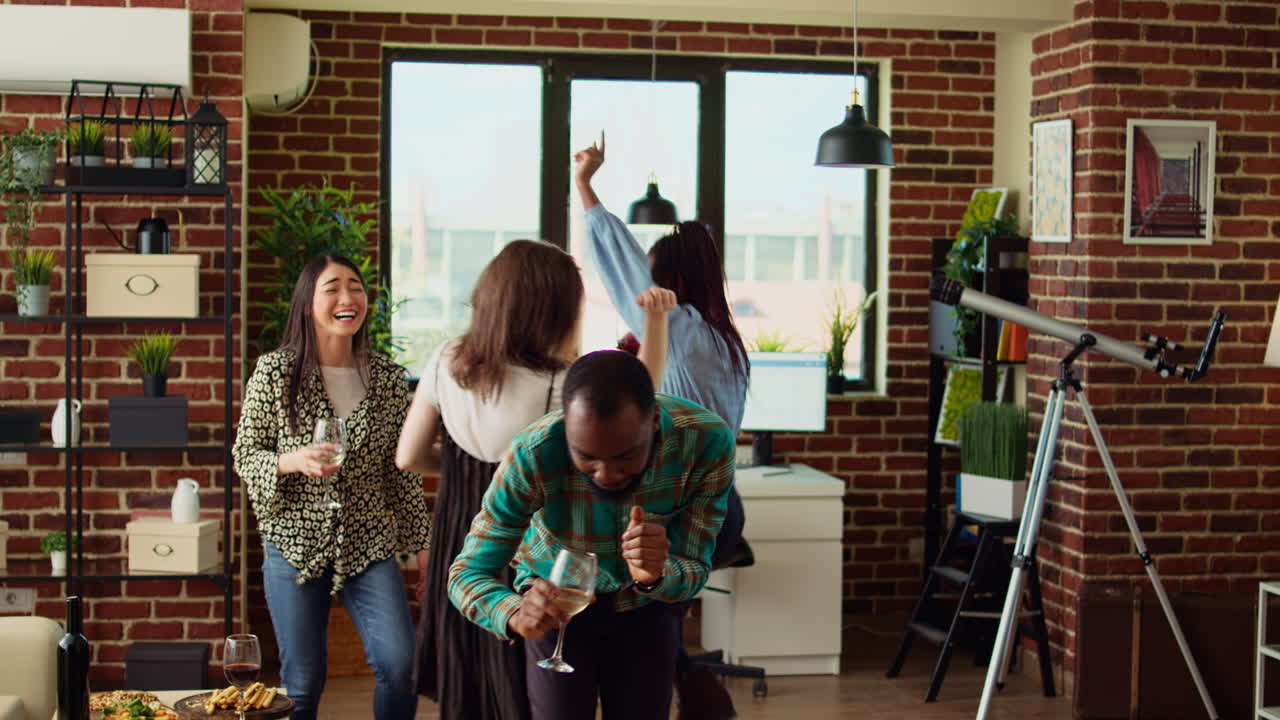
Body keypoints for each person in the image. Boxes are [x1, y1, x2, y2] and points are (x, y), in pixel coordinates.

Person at [396, 240, 676, 720]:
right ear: (556, 309)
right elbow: (638, 392)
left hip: (456, 539)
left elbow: (409, 457)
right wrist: (657, 321)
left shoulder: (445, 360)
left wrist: (469, 470)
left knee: (469, 682)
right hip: (526, 541)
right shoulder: (560, 383)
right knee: (526, 684)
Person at [448, 349, 734, 720]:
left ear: (655, 423)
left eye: (626, 458)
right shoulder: (532, 453)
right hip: (557, 611)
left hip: (647, 610)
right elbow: (466, 572)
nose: (605, 474)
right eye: (586, 457)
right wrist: (514, 612)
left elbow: (696, 568)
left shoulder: (705, 443)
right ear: (566, 428)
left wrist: (657, 575)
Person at [574, 132, 749, 718]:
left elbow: (628, 278)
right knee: (651, 621)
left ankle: (688, 696)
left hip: (690, 510)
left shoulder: (688, 331)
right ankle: (688, 691)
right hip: (721, 506)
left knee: (633, 619)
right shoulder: (723, 340)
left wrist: (585, 188)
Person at [232, 253, 430, 720]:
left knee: (400, 665)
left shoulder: (387, 378)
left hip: (367, 541)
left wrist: (422, 545)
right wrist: (291, 460)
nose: (348, 298)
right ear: (308, 304)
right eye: (333, 288)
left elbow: (400, 472)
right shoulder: (275, 372)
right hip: (293, 544)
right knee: (303, 681)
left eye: (356, 287)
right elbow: (245, 453)